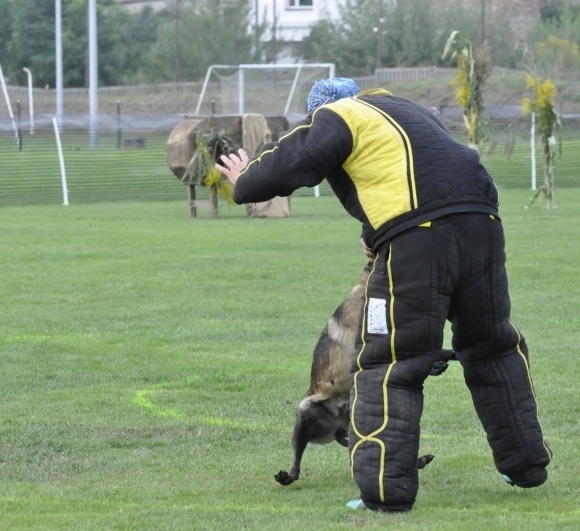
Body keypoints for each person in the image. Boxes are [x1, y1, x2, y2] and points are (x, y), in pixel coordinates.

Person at [215, 78, 552, 512]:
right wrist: (376, 232)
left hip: (421, 239)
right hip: (483, 224)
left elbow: (290, 161)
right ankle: (524, 466)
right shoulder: (407, 109)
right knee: (492, 346)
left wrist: (244, 181)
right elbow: (417, 171)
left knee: (390, 359)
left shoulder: (337, 114)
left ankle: (384, 490)